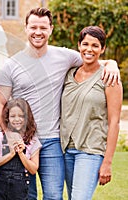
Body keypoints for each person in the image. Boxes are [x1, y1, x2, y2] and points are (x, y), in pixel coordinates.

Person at [0, 7, 120, 200]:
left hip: (53, 141)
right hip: (23, 141)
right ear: (26, 28)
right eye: (33, 27)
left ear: (51, 29)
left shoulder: (65, 56)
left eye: (43, 27)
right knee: (24, 196)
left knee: (53, 196)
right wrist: (8, 134)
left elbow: (92, 58)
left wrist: (112, 64)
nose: (38, 32)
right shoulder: (12, 64)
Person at [60, 26, 123, 200]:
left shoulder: (110, 79)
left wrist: (107, 163)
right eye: (85, 44)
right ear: (79, 45)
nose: (89, 49)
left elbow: (114, 122)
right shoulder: (68, 74)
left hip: (91, 151)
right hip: (66, 151)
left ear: (102, 49)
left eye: (95, 45)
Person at [0, 98, 41, 200]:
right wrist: (11, 154)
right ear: (7, 118)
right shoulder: (1, 137)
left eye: (21, 116)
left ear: (27, 117)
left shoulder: (32, 141)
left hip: (19, 187)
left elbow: (33, 169)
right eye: (12, 116)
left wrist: (21, 153)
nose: (17, 119)